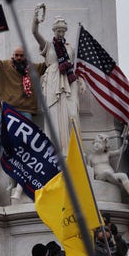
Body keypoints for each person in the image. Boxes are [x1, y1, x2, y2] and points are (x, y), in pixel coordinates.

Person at [0, 34, 47, 173]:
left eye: (21, 56)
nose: (19, 58)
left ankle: (26, 166)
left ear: (25, 56)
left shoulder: (32, 68)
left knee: (26, 140)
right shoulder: (4, 66)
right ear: (13, 55)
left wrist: (54, 49)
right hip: (7, 110)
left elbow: (47, 65)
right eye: (16, 55)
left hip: (25, 110)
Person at [32, 11, 80, 153]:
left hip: (69, 81)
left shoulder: (70, 47)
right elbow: (34, 33)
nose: (60, 33)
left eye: (62, 31)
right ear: (54, 31)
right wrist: (35, 21)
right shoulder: (48, 46)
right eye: (58, 31)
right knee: (53, 116)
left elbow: (75, 65)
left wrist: (80, 80)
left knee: (72, 115)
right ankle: (56, 151)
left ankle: (72, 150)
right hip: (53, 81)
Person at [86, 134, 129, 205]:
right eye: (96, 142)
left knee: (123, 175)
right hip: (99, 177)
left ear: (105, 146)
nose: (97, 144)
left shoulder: (107, 154)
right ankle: (118, 184)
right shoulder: (90, 157)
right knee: (106, 173)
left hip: (112, 175)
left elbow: (119, 152)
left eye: (100, 143)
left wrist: (124, 145)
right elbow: (88, 168)